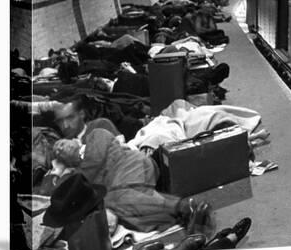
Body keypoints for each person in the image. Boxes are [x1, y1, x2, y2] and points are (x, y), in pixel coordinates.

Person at [52, 97, 212, 234]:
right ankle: (184, 216)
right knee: (121, 205)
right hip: (118, 184)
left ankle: (182, 209)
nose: (65, 125)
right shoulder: (74, 166)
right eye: (60, 121)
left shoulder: (97, 128)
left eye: (70, 117)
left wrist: (77, 172)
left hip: (131, 165)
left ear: (81, 114)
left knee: (117, 199)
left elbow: (99, 160)